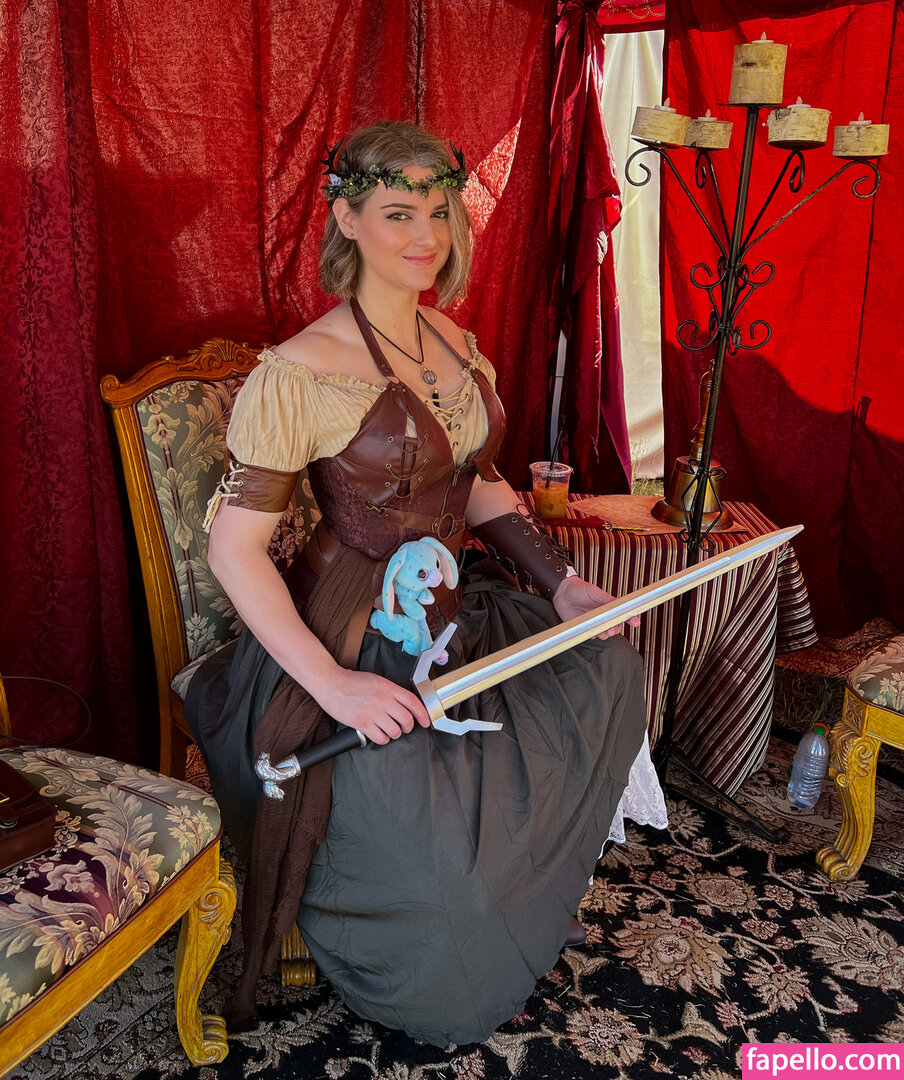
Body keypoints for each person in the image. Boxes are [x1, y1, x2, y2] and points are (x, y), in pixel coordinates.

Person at [186, 121, 648, 1048]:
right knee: (432, 849)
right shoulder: (302, 371)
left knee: (604, 671)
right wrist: (336, 685)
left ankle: (521, 895)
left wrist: (560, 584)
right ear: (347, 218)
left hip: (451, 611)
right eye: (398, 212)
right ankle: (457, 936)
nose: (426, 235)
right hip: (345, 638)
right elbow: (234, 551)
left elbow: (475, 482)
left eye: (440, 212)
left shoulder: (454, 342)